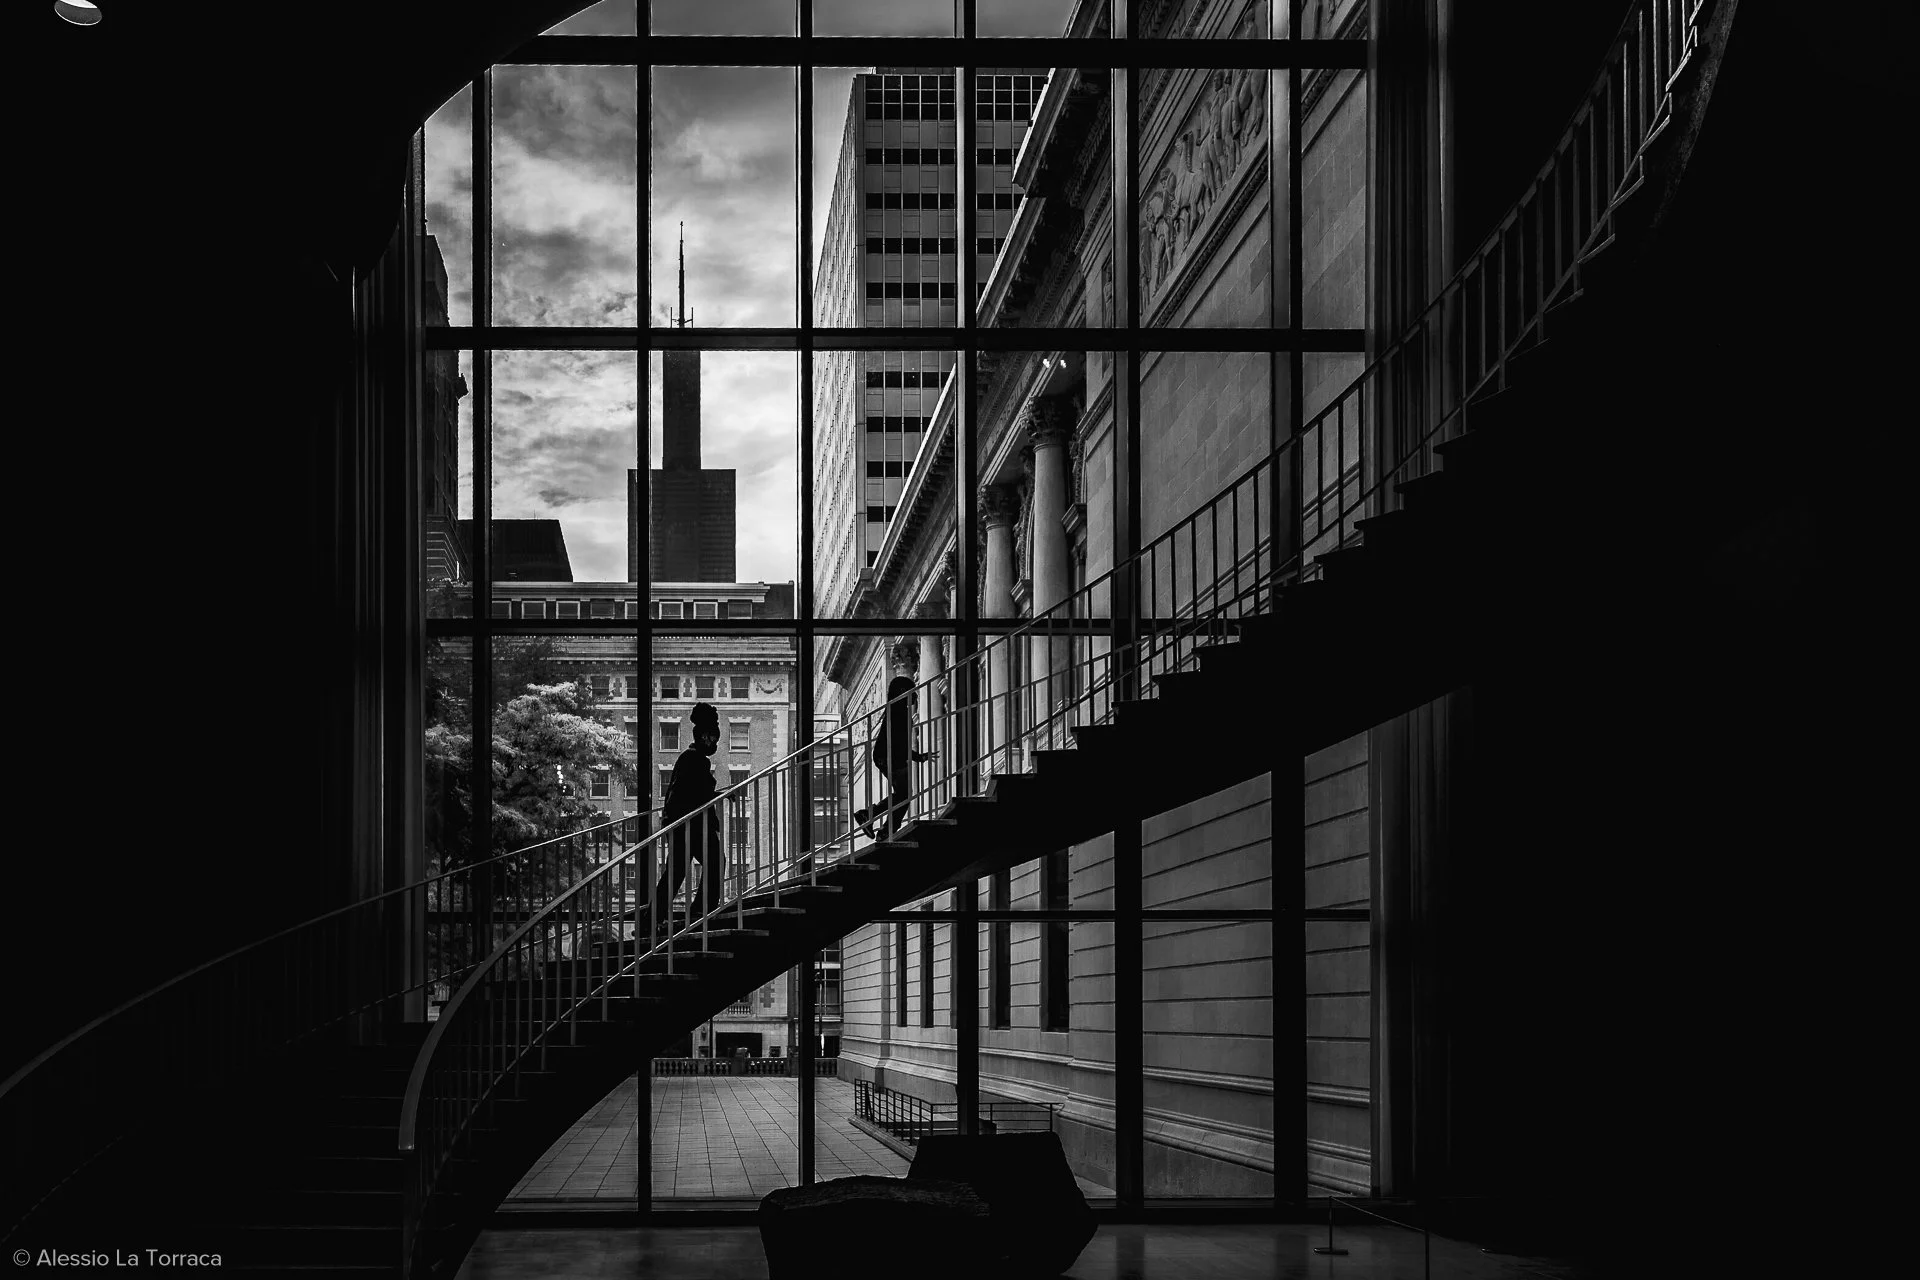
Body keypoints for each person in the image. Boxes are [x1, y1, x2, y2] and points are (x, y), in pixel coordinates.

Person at [648, 701, 723, 932]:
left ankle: (651, 921)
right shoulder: (694, 759)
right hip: (691, 826)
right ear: (704, 737)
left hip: (684, 826)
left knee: (677, 872)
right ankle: (701, 911)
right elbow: (695, 794)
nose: (714, 744)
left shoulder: (690, 759)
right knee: (715, 861)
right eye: (712, 739)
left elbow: (691, 792)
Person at [853, 675, 934, 841]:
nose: (915, 696)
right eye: (913, 692)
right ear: (904, 692)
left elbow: (898, 743)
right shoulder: (899, 713)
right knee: (904, 795)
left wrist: (917, 757)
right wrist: (917, 757)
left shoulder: (895, 710)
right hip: (891, 757)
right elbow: (899, 743)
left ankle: (878, 823)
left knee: (903, 795)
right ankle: (878, 823)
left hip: (888, 756)